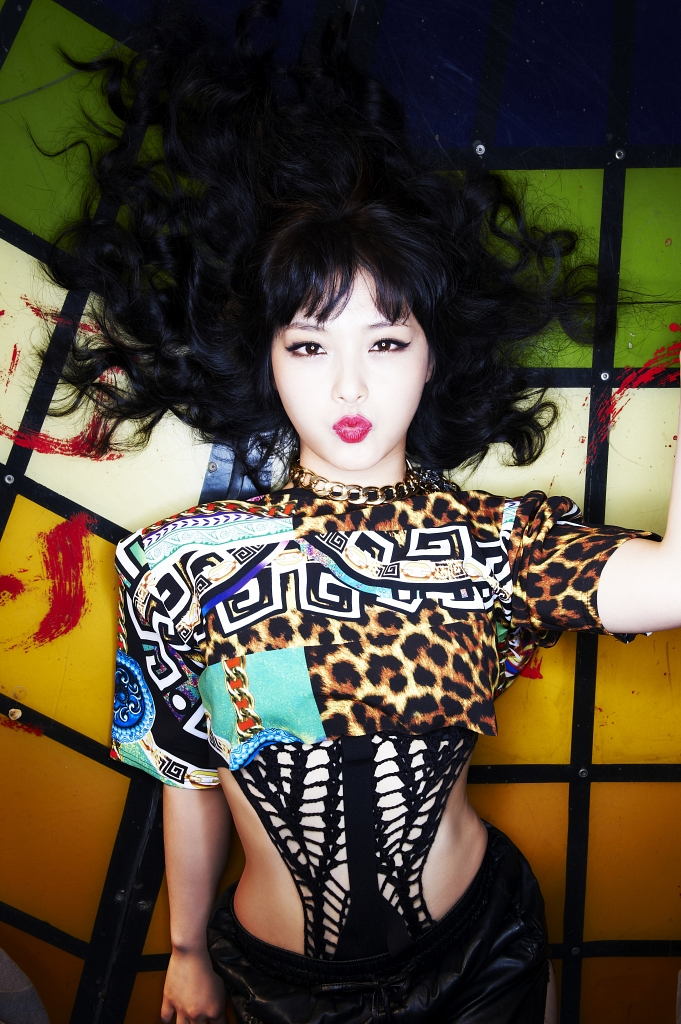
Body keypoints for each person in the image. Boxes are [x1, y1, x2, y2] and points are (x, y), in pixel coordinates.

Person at [46, 4, 677, 1022]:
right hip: (275, 985)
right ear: (266, 359)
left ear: (433, 357)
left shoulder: (495, 546)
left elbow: (676, 583)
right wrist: (186, 950)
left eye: (385, 342)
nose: (348, 385)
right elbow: (187, 777)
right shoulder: (177, 568)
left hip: (485, 959)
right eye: (309, 345)